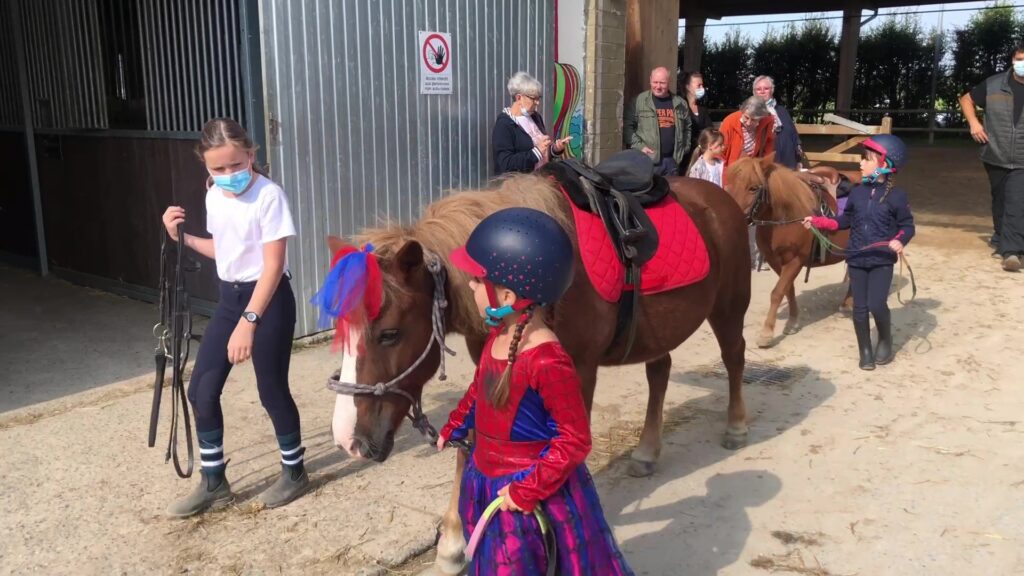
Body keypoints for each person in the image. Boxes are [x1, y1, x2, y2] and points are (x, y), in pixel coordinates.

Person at [437, 208, 633, 575]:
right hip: (486, 478)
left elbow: (574, 440)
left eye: (478, 281)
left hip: (525, 496)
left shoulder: (546, 360)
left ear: (508, 295)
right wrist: (457, 423)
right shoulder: (498, 337)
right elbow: (480, 389)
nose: (470, 286)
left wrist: (527, 490)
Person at [161, 118, 307, 517]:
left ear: (251, 155)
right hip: (230, 297)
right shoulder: (213, 197)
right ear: (206, 168)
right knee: (201, 390)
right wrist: (183, 239)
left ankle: (294, 472)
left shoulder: (269, 197)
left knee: (271, 389)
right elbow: (225, 251)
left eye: (234, 165)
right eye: (217, 169)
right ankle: (214, 483)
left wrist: (249, 321)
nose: (227, 175)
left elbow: (273, 266)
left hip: (269, 296)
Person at [803, 135, 915, 371]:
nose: (861, 164)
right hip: (856, 257)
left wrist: (898, 241)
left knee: (877, 304)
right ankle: (865, 349)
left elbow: (907, 226)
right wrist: (819, 222)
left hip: (881, 260)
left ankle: (885, 339)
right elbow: (845, 220)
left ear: (885, 164)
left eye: (867, 159)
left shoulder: (897, 196)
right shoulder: (857, 192)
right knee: (859, 308)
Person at [959, 44, 1024, 272]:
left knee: (1017, 200)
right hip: (994, 153)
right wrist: (974, 123)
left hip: (1022, 158)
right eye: (1019, 58)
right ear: (1012, 60)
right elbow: (966, 99)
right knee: (1000, 199)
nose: (1022, 63)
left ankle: (1011, 252)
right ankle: (1000, 236)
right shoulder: (994, 84)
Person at [493, 71, 571, 176]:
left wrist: (554, 150)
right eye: (533, 98)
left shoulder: (535, 117)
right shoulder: (504, 124)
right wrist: (536, 152)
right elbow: (505, 164)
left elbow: (542, 154)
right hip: (521, 187)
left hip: (541, 180)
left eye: (538, 98)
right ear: (519, 98)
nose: (537, 102)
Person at [626, 66, 692, 176]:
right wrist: (640, 146)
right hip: (647, 161)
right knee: (648, 193)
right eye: (655, 82)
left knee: (672, 193)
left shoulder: (680, 103)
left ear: (669, 82)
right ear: (650, 80)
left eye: (662, 83)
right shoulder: (638, 101)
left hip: (672, 161)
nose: (658, 86)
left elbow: (687, 127)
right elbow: (627, 127)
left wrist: (684, 148)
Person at [753, 75, 805, 169]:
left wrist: (798, 155)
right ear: (754, 92)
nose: (762, 91)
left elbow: (792, 133)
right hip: (767, 159)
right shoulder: (752, 112)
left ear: (772, 90)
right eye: (758, 89)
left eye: (766, 88)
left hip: (788, 157)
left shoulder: (782, 110)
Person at [719, 95, 775, 170]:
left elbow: (768, 144)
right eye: (746, 117)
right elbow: (719, 151)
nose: (748, 123)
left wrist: (763, 165)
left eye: (754, 120)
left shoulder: (767, 122)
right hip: (730, 167)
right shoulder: (729, 122)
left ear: (761, 118)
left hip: (752, 166)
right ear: (742, 111)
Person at [680, 70, 713, 155]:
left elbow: (710, 130)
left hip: (701, 154)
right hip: (685, 155)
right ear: (688, 87)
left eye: (702, 85)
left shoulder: (703, 110)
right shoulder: (680, 108)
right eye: (698, 85)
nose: (702, 88)